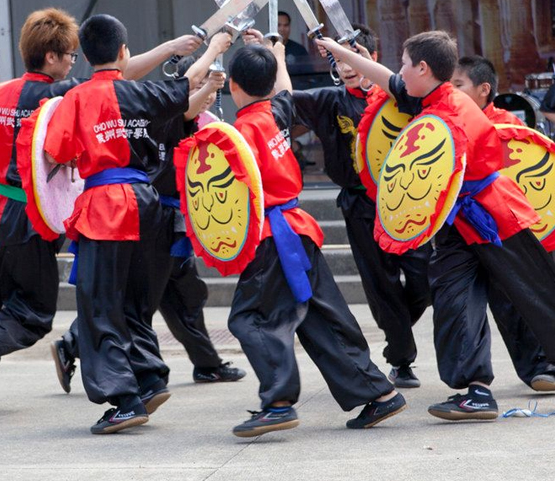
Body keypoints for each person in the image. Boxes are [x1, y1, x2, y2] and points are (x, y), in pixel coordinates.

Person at [0, 7, 202, 413]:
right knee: (33, 313)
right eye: (69, 55)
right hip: (29, 215)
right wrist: (169, 49)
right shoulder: (65, 93)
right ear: (52, 58)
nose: (74, 61)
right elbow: (115, 80)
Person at [317, 31, 555, 421]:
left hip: (492, 215)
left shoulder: (452, 110)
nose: (400, 72)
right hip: (459, 223)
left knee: (534, 290)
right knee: (454, 300)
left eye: (406, 64)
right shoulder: (431, 97)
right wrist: (341, 52)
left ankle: (524, 372)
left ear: (423, 69)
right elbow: (384, 79)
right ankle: (477, 392)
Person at [43, 14, 232, 435]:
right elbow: (186, 90)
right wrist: (215, 48)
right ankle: (148, 378)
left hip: (104, 208)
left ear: (84, 56)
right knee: (133, 303)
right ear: (124, 52)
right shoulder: (142, 93)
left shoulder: (75, 98)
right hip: (148, 204)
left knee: (98, 308)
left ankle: (125, 400)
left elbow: (55, 152)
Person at [226, 40, 406, 438]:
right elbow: (285, 90)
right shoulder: (277, 111)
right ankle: (378, 393)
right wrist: (274, 52)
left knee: (249, 318)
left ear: (233, 85)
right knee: (322, 318)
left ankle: (277, 402)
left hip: (275, 237)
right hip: (298, 230)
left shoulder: (241, 130)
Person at [288, 24, 431, 389]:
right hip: (359, 204)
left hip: (406, 200)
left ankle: (396, 329)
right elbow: (283, 98)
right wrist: (274, 51)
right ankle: (401, 359)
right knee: (381, 284)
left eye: (353, 58)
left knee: (425, 279)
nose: (348, 68)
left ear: (372, 58)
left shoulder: (401, 95)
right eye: (338, 61)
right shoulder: (330, 100)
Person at [451, 55, 555, 391]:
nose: (451, 93)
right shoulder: (442, 123)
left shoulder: (509, 126)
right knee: (473, 304)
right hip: (460, 228)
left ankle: (542, 366)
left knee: (514, 297)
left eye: (458, 86)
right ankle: (479, 380)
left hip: (502, 227)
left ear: (484, 90)